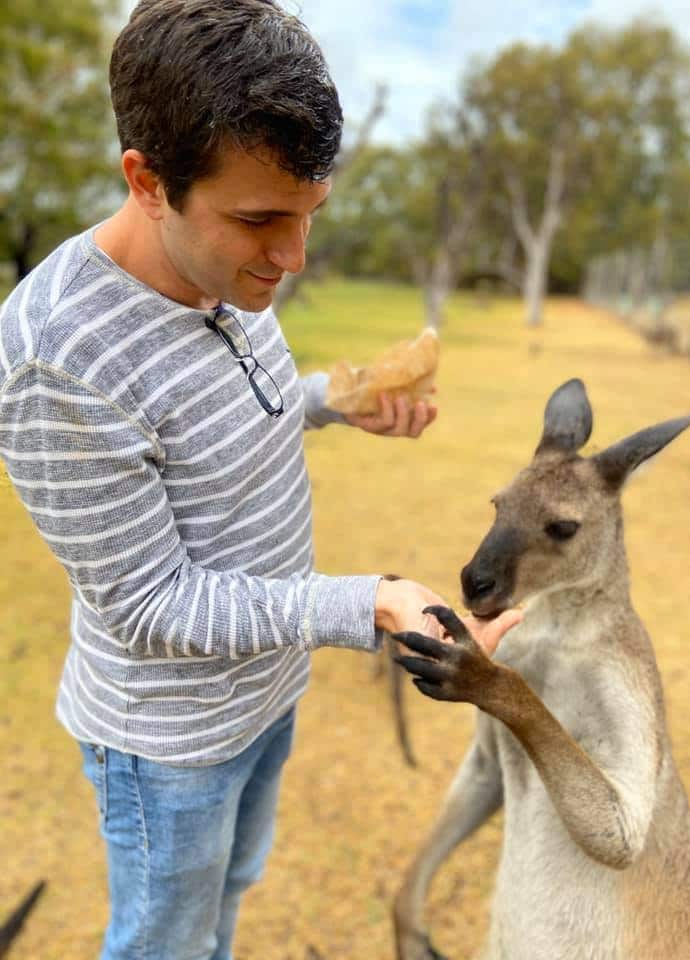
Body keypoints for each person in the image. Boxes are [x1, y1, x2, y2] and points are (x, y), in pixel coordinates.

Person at [0, 2, 520, 958]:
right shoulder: (59, 359)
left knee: (227, 902)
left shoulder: (225, 273)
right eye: (260, 220)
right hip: (169, 744)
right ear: (148, 182)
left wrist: (328, 398)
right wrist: (367, 604)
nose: (292, 256)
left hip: (265, 690)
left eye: (309, 215)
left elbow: (233, 398)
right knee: (166, 939)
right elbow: (151, 602)